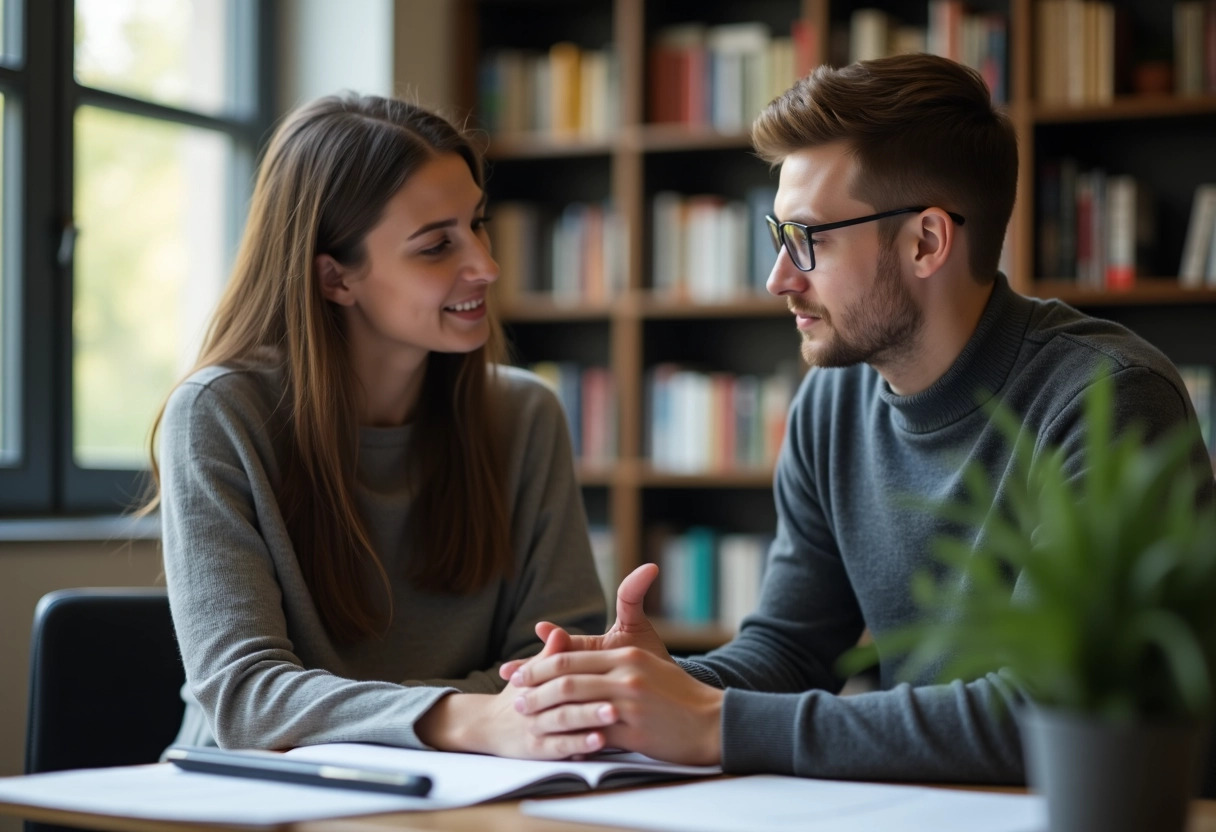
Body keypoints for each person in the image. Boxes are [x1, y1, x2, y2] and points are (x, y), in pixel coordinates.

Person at [500, 54, 1216, 782]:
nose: (778, 278)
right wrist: (666, 680)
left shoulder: (1108, 401)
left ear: (926, 242)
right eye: (776, 237)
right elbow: (789, 650)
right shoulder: (831, 400)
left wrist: (713, 721)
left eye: (808, 239)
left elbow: (1055, 711)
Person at [147, 93, 607, 758]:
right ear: (336, 279)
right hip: (250, 800)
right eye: (435, 246)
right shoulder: (220, 414)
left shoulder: (524, 414)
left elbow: (559, 665)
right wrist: (475, 715)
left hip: (469, 790)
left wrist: (350, 706)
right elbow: (246, 701)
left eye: (476, 225)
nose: (485, 265)